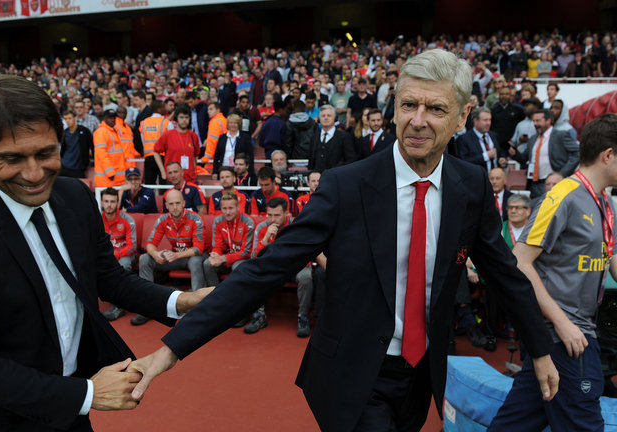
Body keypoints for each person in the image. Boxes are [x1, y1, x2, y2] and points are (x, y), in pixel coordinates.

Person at [127, 49, 558, 432]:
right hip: (352, 373)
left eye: (436, 108)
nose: (418, 120)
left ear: (462, 117)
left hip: (421, 376)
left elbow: (505, 272)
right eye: (409, 104)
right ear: (394, 110)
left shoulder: (472, 185)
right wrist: (172, 349)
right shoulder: (344, 187)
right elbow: (266, 269)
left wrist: (539, 349)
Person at [0, 75, 209, 431]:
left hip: (69, 416)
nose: (34, 173)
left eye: (45, 153)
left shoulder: (75, 197)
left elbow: (107, 278)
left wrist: (181, 302)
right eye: (11, 158)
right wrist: (86, 394)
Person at [489, 113, 617, 432]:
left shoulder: (604, 201)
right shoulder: (562, 196)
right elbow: (520, 261)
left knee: (514, 424)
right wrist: (562, 323)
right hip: (567, 336)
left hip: (571, 333)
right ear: (608, 155)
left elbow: (611, 259)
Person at [242, 197, 314, 338]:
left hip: (295, 266)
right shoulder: (262, 227)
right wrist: (265, 239)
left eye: (277, 215)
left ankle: (303, 317)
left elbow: (305, 254)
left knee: (305, 276)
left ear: (286, 213)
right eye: (269, 215)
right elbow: (255, 258)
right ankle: (259, 316)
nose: (272, 219)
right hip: (273, 267)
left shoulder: (297, 225)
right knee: (255, 273)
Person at [134, 189, 206, 325]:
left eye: (178, 203)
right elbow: (150, 244)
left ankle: (196, 308)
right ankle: (147, 306)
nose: (175, 207)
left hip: (191, 257)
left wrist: (177, 255)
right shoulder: (163, 219)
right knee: (145, 258)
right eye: (171, 204)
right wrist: (156, 254)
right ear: (166, 206)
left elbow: (198, 249)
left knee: (196, 261)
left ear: (184, 203)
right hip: (175, 257)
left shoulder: (195, 218)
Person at [509, 109, 579, 199]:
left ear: (548, 120)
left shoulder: (560, 135)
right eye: (534, 121)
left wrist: (562, 173)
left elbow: (578, 152)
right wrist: (515, 154)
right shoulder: (533, 139)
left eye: (538, 121)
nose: (535, 124)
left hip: (554, 183)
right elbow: (524, 159)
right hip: (534, 185)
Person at [99, 188, 139, 322]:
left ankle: (118, 307)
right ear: (101, 202)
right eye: (106, 201)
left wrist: (115, 255)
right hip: (105, 256)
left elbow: (132, 246)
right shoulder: (97, 220)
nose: (109, 205)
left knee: (123, 265)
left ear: (117, 203)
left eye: (112, 201)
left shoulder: (127, 219)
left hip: (126, 255)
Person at [202, 191, 255, 287]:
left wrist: (224, 258)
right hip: (225, 256)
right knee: (208, 263)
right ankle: (214, 292)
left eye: (231, 208)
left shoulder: (248, 222)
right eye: (224, 208)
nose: (227, 212)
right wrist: (215, 254)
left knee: (237, 266)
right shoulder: (218, 221)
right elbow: (217, 245)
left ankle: (236, 294)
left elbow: (246, 252)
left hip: (242, 259)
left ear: (238, 207)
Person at [153, 105, 200, 184]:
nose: (184, 120)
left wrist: (193, 169)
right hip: (172, 178)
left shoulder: (193, 136)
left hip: (189, 178)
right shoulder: (168, 135)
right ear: (176, 119)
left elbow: (196, 155)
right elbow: (155, 151)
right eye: (181, 117)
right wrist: (163, 172)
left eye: (186, 117)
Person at [456, 107, 505, 172]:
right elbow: (463, 162)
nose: (488, 123)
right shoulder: (464, 139)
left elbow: (500, 153)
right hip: (476, 176)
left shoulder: (493, 135)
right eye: (485, 120)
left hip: (496, 176)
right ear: (475, 121)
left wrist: (503, 160)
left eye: (490, 120)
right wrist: (485, 156)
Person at [308, 105, 355, 171]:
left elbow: (350, 160)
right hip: (317, 176)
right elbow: (311, 160)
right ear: (319, 119)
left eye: (329, 115)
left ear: (334, 118)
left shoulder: (344, 137)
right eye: (323, 116)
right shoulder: (314, 137)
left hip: (337, 175)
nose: (326, 118)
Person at [93, 109, 127, 188]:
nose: (113, 120)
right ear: (104, 118)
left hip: (116, 178)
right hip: (107, 179)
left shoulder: (113, 131)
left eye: (114, 118)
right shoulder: (101, 132)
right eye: (110, 118)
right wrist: (110, 172)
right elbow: (101, 154)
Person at [60, 110, 94, 178]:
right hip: (65, 165)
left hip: (78, 167)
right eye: (65, 119)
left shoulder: (84, 131)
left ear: (74, 118)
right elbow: (63, 149)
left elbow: (92, 146)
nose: (67, 121)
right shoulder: (64, 133)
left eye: (69, 118)